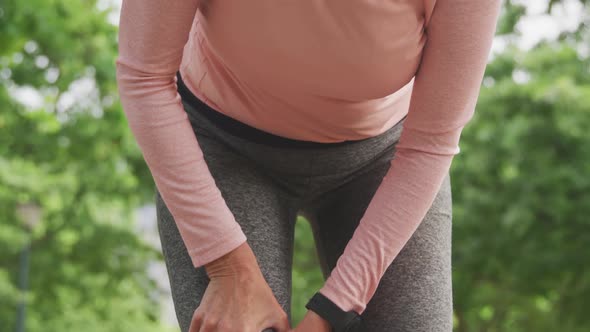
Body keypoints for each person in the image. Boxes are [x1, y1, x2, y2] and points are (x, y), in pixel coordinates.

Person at [115, 0, 501, 331]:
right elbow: (144, 76)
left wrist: (336, 309)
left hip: (385, 160)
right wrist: (229, 269)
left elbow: (429, 145)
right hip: (225, 146)